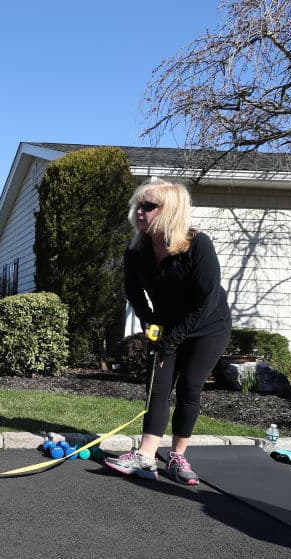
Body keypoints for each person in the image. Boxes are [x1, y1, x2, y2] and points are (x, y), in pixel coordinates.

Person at [103, 178, 232, 485]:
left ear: (169, 210)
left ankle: (177, 457)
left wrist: (174, 339)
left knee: (189, 388)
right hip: (168, 323)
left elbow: (208, 301)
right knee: (157, 388)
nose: (140, 212)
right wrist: (149, 322)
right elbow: (133, 291)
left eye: (148, 206)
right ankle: (146, 458)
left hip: (208, 327)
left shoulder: (198, 244)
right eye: (138, 205)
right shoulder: (137, 250)